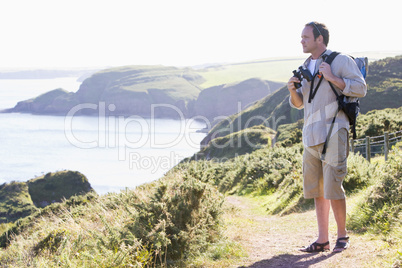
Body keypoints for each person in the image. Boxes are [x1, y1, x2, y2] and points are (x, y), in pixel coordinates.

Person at [287, 22, 367, 253]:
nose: (301, 41)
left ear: (319, 38)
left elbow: (360, 88)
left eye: (305, 37)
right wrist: (292, 90)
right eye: (301, 37)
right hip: (310, 135)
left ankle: (342, 236)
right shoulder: (304, 65)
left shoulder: (340, 60)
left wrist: (332, 77)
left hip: (334, 129)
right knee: (317, 189)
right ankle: (322, 239)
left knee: (333, 185)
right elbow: (300, 103)